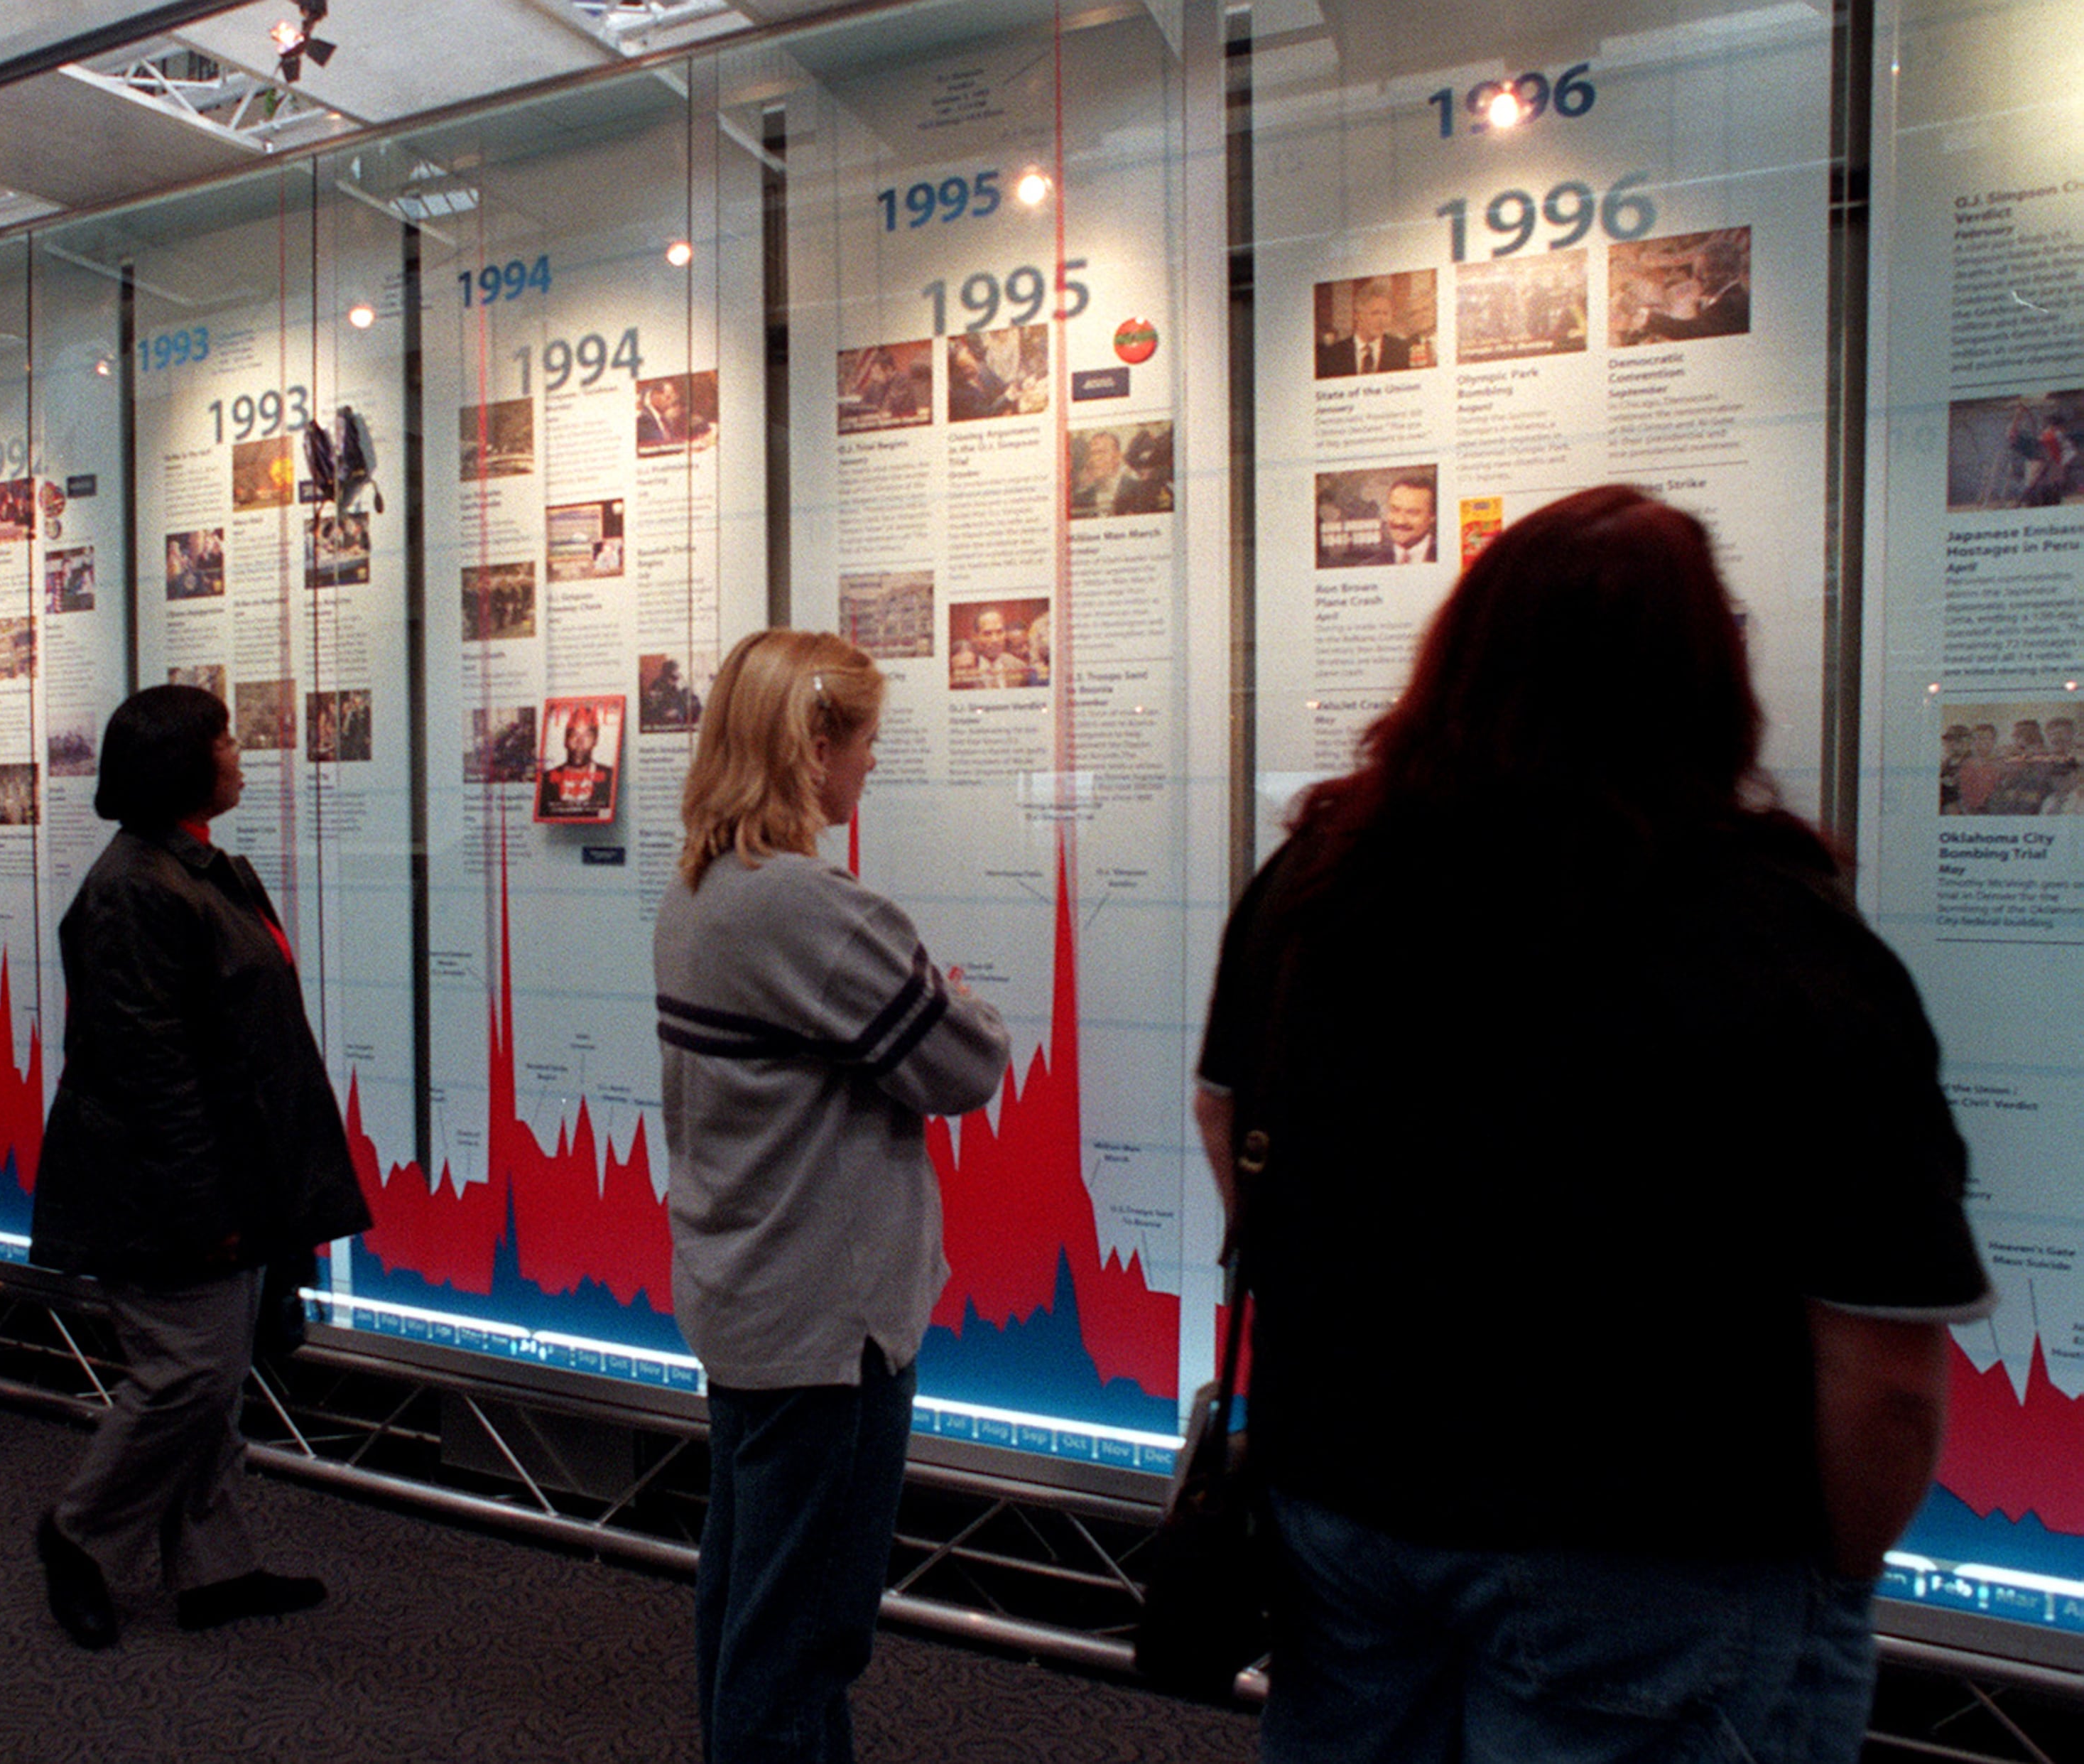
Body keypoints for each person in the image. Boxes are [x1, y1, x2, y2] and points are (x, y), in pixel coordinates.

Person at [1193, 486, 1993, 1764]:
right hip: (1657, 1556)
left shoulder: (1318, 879)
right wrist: (1835, 1572)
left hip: (1346, 1510)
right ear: (1712, 677)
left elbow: (1227, 1107)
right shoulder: (1781, 937)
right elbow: (1886, 1366)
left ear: (1459, 651)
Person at [655, 629, 1010, 1763]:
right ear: (813, 745)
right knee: (802, 1638)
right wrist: (953, 999)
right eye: (864, 744)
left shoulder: (704, 888)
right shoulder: (809, 906)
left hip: (753, 1302)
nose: (868, 770)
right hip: (826, 1326)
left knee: (749, 1603)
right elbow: (964, 1064)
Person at [28, 684, 373, 1651]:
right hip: (173, 1184)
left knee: (212, 1378)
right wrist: (205, 1203)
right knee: (186, 1374)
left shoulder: (198, 867)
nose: (239, 748)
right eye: (224, 736)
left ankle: (213, 1567)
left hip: (228, 1169)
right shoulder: (136, 887)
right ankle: (79, 1533)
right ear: (183, 760)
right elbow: (150, 1073)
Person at [1317, 279, 1424, 377]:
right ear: (1358, 316)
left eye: (1385, 314)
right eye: (1375, 313)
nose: (1381, 320)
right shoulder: (1332, 355)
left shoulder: (1403, 351)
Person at [537, 702, 617, 821]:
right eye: (574, 734)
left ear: (595, 740)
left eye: (587, 735)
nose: (580, 742)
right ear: (565, 740)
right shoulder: (546, 780)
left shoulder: (611, 777)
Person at [1372, 476, 1439, 564]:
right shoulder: (1369, 566)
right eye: (1395, 510)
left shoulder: (1450, 559)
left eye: (1412, 513)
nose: (1400, 521)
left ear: (1432, 517)